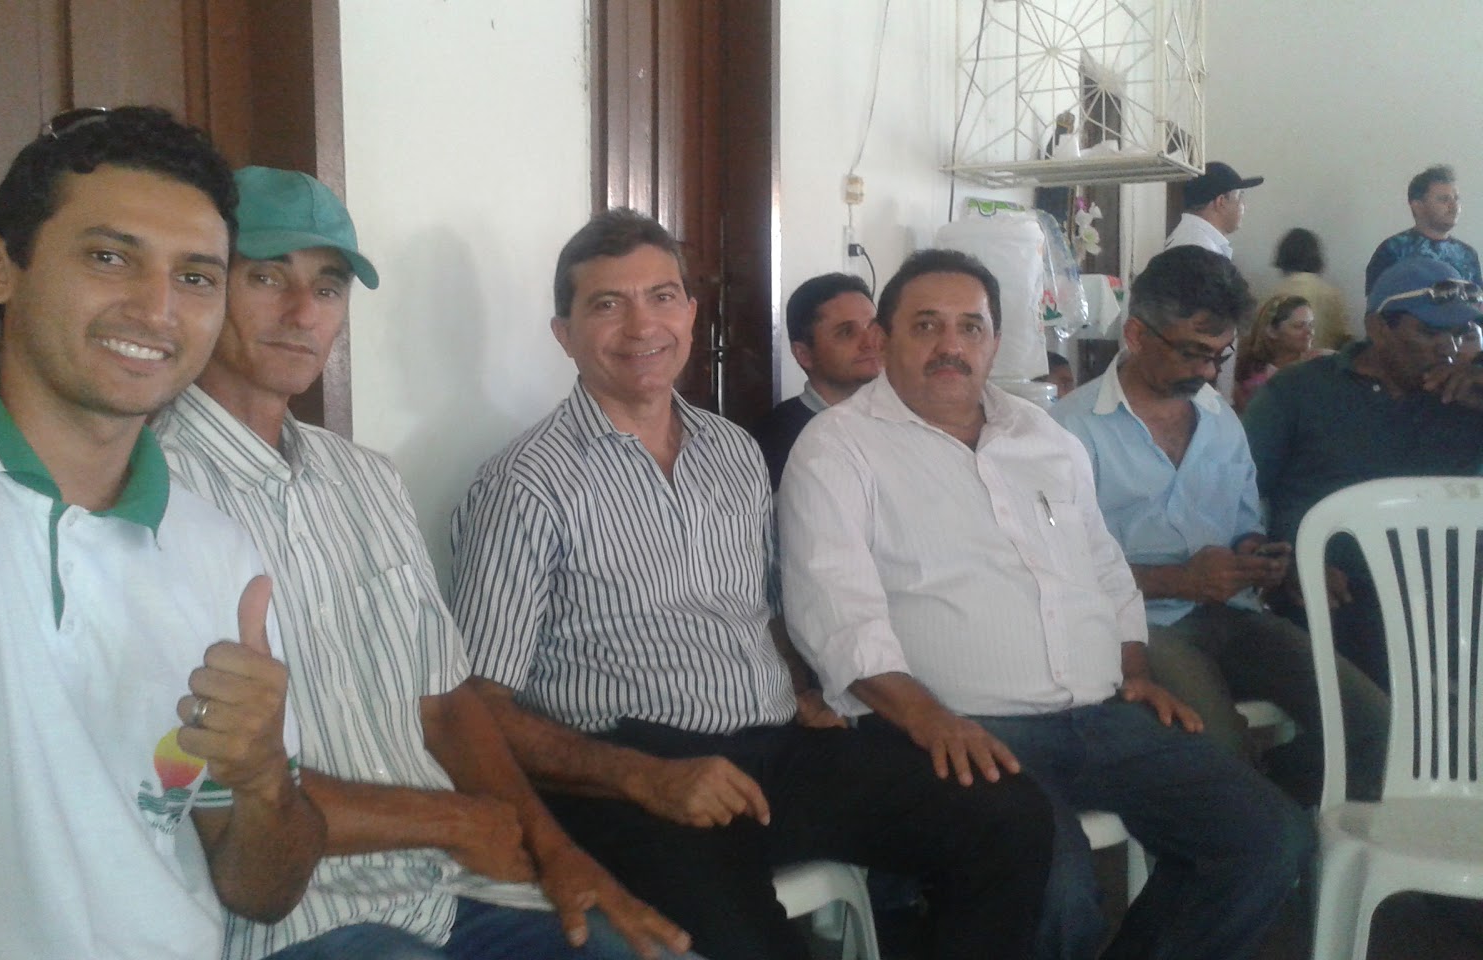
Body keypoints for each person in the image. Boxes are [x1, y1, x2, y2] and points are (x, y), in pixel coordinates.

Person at [449, 208, 1055, 960]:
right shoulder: (524, 485)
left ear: (690, 313)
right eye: (607, 304)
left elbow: (766, 607)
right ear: (564, 333)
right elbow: (479, 708)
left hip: (774, 750)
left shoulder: (733, 451)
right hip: (632, 773)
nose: (642, 325)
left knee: (1006, 814)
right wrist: (641, 776)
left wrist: (807, 687)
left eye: (662, 296)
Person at [154, 169, 692, 960]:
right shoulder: (152, 492)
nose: (303, 313)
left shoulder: (365, 478)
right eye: (267, 277)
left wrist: (558, 853)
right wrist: (450, 820)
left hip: (457, 888)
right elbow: (203, 776)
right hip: (303, 915)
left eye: (328, 287)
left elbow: (446, 704)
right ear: (203, 288)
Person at [779, 246, 1314, 960]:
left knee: (1267, 839)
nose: (950, 345)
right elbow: (835, 615)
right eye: (927, 325)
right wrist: (932, 719)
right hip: (955, 725)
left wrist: (1135, 670)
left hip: (1098, 713)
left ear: (995, 340)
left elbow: (1104, 567)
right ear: (885, 337)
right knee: (1055, 888)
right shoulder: (837, 450)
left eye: (970, 327)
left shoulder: (1042, 436)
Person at [0, 107, 323, 960]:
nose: (157, 309)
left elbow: (263, 893)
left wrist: (265, 778)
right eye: (110, 257)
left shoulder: (220, 553)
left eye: (195, 276)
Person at [1052, 247, 1387, 806]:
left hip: (1231, 613)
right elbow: (1058, 574)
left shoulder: (1218, 418)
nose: (1209, 371)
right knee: (1222, 751)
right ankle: (1259, 819)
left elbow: (1242, 526)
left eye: (1219, 354)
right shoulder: (1068, 432)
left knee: (1375, 724)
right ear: (1136, 334)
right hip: (1137, 626)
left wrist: (1261, 559)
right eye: (1193, 352)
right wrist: (1180, 581)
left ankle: (1282, 814)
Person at [1246, 256, 1483, 690]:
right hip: (1335, 602)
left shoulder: (1466, 402)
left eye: (1459, 333)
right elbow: (1235, 499)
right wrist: (1288, 560)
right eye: (1429, 333)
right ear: (1377, 328)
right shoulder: (1300, 393)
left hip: (1452, 610)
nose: (1447, 349)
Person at [750, 272, 881, 488]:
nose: (870, 342)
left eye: (874, 328)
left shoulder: (903, 420)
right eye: (847, 332)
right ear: (804, 355)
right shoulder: (772, 441)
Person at [1364, 165, 1481, 295]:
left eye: (1456, 199)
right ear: (1418, 206)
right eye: (1444, 199)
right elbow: (1376, 304)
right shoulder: (1392, 250)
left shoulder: (1467, 254)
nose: (1454, 207)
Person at [1232, 293, 1334, 414]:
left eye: (1311, 325)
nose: (1309, 332)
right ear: (1272, 331)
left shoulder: (1319, 362)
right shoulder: (1254, 379)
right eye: (1298, 326)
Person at [1270, 227, 1353, 349]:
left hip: (1284, 361)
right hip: (1324, 359)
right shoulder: (1331, 294)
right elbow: (1344, 340)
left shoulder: (1272, 294)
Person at [1164, 160, 1263, 259]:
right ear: (1221, 201)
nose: (1245, 206)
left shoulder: (1192, 239)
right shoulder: (1201, 250)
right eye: (1240, 197)